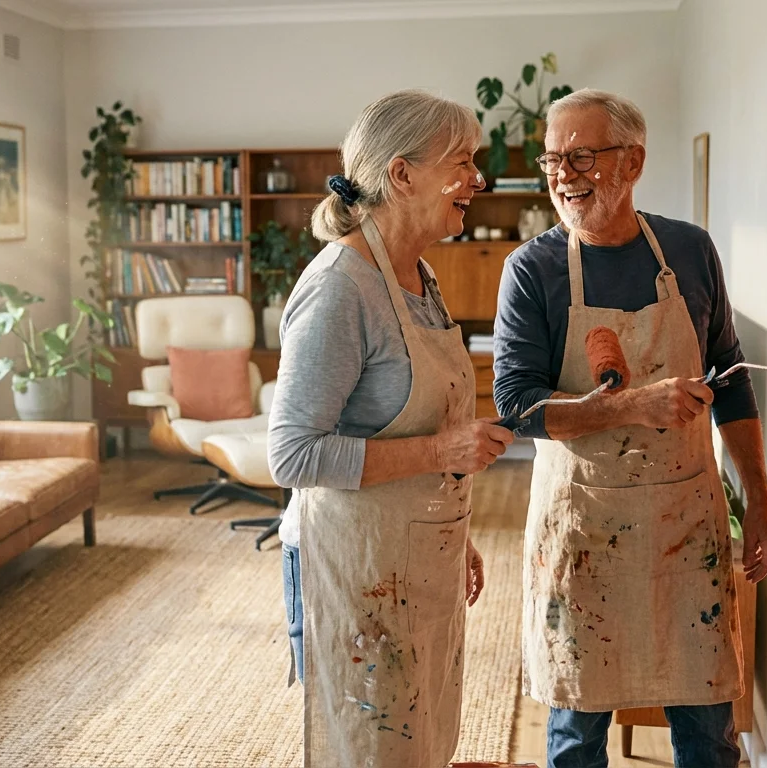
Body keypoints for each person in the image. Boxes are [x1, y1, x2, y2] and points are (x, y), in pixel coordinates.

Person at [493, 89, 767, 767]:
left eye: (582, 155)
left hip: (686, 524)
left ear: (634, 162)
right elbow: (516, 407)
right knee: (576, 736)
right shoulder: (532, 271)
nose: (563, 174)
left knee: (709, 728)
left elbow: (732, 379)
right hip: (581, 527)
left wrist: (762, 505)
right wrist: (630, 407)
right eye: (552, 159)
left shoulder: (688, 249)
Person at [267, 88, 515, 768]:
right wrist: (443, 450)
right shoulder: (340, 287)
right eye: (461, 162)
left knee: (423, 732)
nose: (477, 180)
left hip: (416, 557)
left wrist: (453, 536)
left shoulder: (421, 274)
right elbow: (291, 455)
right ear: (401, 175)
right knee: (372, 747)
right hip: (356, 566)